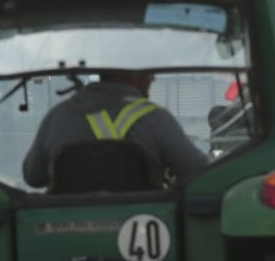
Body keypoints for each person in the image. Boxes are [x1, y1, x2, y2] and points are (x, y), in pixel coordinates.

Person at [22, 70, 206, 189]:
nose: (153, 79)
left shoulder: (58, 116)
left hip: (63, 238)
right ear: (132, 74)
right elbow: (199, 173)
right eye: (149, 72)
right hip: (144, 230)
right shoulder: (156, 119)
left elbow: (33, 176)